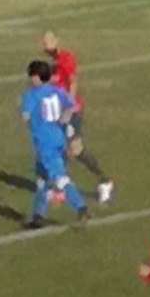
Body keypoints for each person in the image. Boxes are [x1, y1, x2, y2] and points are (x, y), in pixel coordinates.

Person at [42, 31, 114, 202]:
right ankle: (58, 186)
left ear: (56, 41)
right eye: (44, 45)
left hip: (71, 112)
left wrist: (69, 107)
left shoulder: (66, 58)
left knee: (76, 149)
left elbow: (73, 82)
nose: (46, 47)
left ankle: (105, 181)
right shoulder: (52, 63)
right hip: (59, 113)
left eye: (49, 43)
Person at [18, 59, 91, 227]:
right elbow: (74, 106)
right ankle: (38, 216)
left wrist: (33, 125)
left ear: (36, 77)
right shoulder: (57, 91)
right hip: (58, 138)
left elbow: (25, 117)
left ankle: (81, 208)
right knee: (42, 179)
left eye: (31, 75)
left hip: (44, 143)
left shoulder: (31, 94)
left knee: (59, 179)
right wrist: (65, 116)